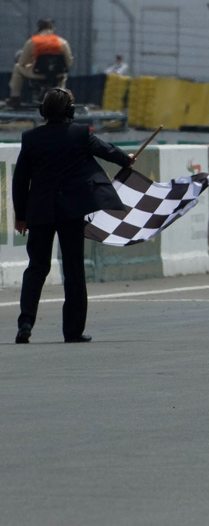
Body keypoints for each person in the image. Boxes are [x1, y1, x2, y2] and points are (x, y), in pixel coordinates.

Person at [13, 88, 134, 344]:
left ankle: (25, 322)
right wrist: (127, 159)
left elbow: (20, 180)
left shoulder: (31, 137)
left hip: (40, 212)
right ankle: (73, 330)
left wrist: (20, 216)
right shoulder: (80, 134)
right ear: (70, 111)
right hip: (71, 213)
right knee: (74, 271)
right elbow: (108, 151)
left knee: (36, 268)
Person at [8, 18, 73, 108]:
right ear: (52, 29)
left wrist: (31, 62)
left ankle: (14, 98)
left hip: (38, 74)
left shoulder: (32, 42)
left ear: (39, 29)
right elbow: (68, 62)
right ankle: (62, 99)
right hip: (57, 75)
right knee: (63, 74)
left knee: (17, 67)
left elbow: (22, 62)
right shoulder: (62, 42)